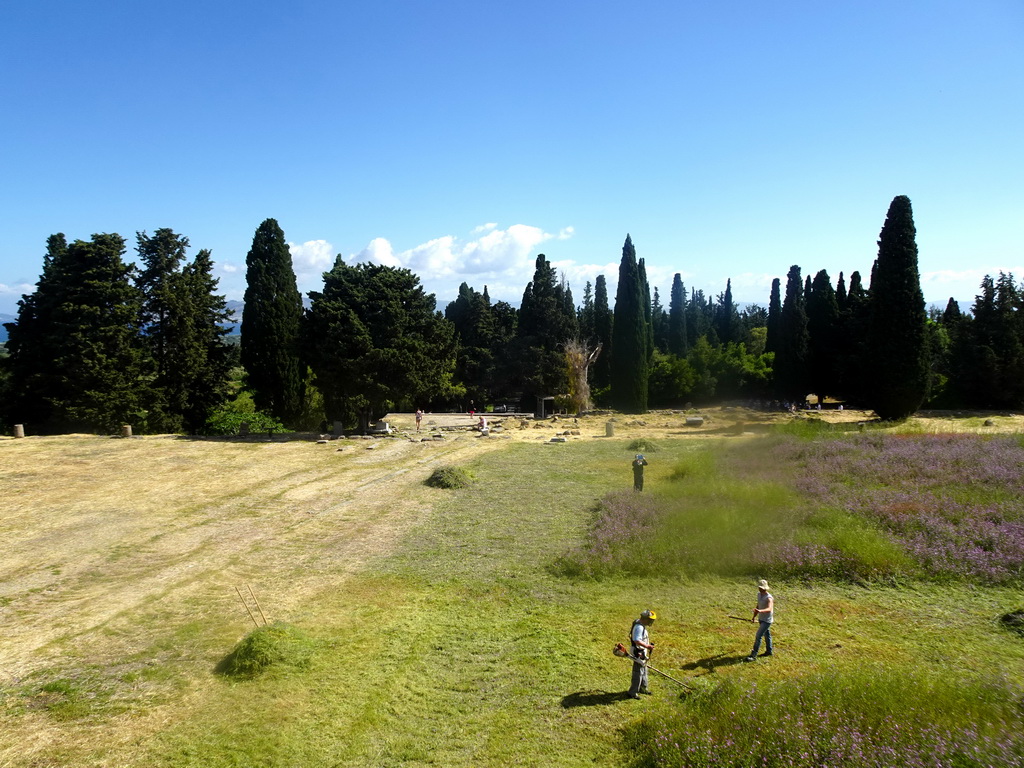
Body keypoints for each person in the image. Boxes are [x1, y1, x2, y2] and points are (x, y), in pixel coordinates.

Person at [628, 609, 656, 698]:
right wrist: (647, 646)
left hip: (641, 651)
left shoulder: (640, 623)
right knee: (638, 672)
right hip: (638, 652)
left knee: (644, 670)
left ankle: (643, 688)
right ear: (645, 619)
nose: (651, 622)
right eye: (650, 620)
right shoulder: (639, 627)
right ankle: (632, 692)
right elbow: (636, 640)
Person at [744, 579, 774, 661]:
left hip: (767, 620)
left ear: (765, 588)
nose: (760, 589)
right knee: (767, 635)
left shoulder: (769, 598)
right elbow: (758, 606)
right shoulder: (759, 595)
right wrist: (754, 616)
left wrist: (760, 611)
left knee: (758, 636)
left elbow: (769, 608)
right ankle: (769, 651)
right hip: (761, 619)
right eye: (760, 587)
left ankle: (753, 655)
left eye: (762, 588)